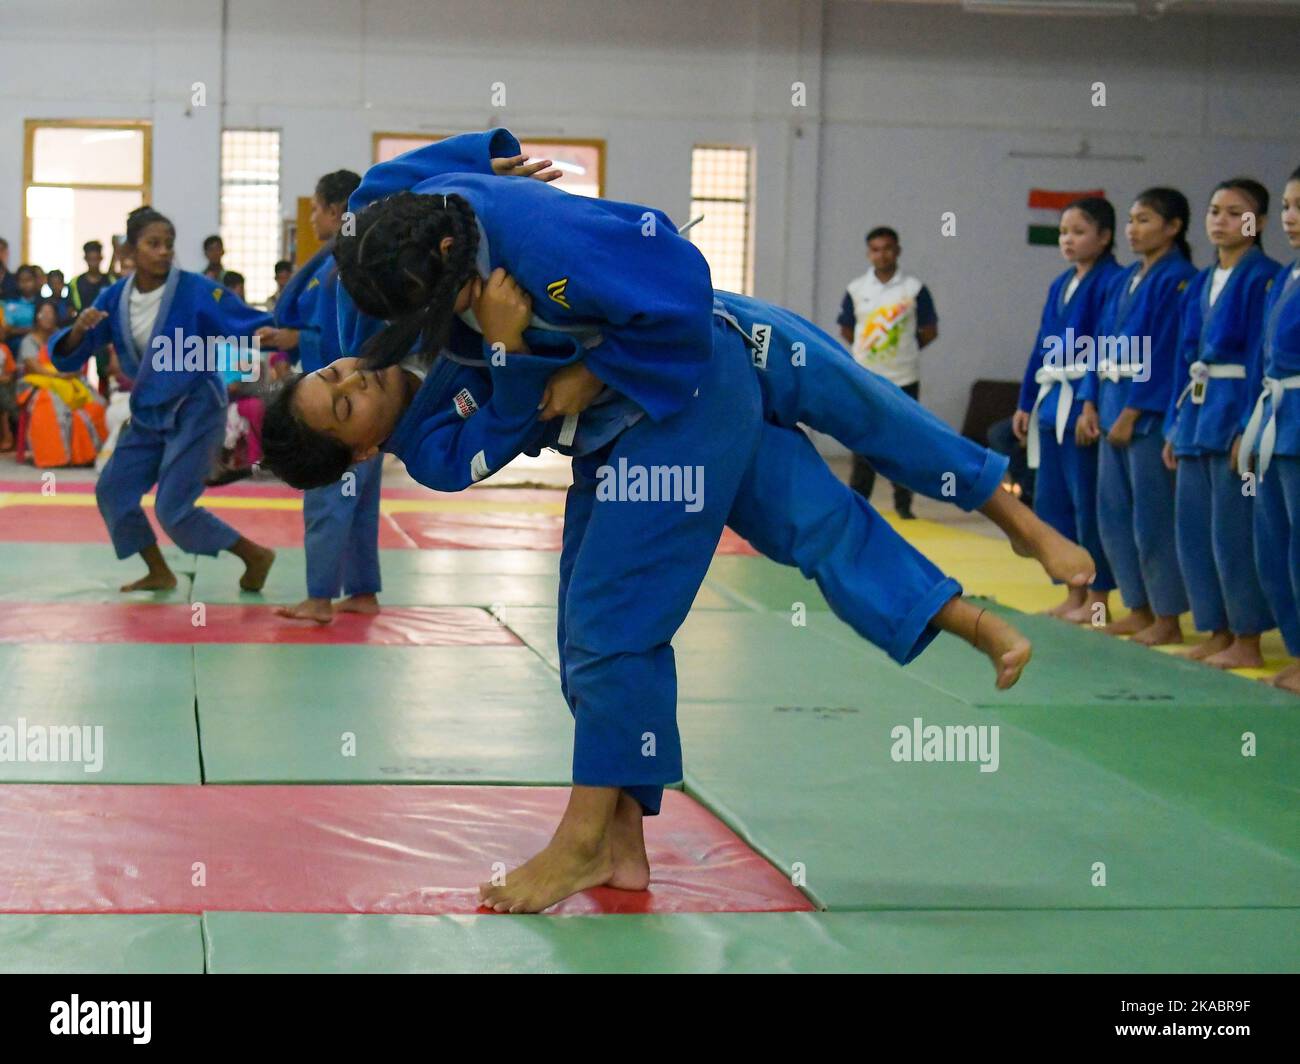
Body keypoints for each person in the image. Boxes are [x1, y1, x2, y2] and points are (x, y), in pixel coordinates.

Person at [261, 130, 1041, 915]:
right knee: (670, 596)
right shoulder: (428, 432)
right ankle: (623, 841)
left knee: (850, 430)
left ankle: (580, 841)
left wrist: (468, 166)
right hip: (642, 418)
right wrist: (504, 348)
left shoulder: (510, 246)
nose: (354, 372)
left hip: (693, 363)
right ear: (361, 451)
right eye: (346, 402)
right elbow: (507, 426)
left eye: (333, 374)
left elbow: (375, 200)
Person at [50, 206, 276, 592]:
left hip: (197, 407)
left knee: (172, 508)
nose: (163, 252)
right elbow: (74, 350)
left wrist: (286, 330)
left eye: (168, 244)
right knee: (113, 491)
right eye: (153, 244)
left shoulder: (195, 289)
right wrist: (76, 331)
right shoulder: (113, 298)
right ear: (129, 252)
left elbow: (244, 321)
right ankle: (158, 570)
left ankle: (253, 553)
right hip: (150, 412)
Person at [1164, 178, 1279, 669]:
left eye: (1235, 212)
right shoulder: (1200, 281)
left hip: (1235, 407)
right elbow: (1182, 357)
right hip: (1196, 408)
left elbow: (1261, 355)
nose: (1221, 220)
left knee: (1233, 531)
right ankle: (1216, 627)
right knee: (1194, 530)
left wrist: (1248, 428)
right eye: (1214, 210)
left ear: (1258, 223)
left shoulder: (1264, 277)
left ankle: (1247, 635)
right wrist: (1173, 423)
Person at [1077, 189, 1195, 645]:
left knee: (1152, 518)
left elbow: (1168, 350)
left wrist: (1134, 410)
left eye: (1144, 220)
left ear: (1173, 227)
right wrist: (1090, 400)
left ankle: (1167, 616)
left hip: (1143, 415)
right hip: (1108, 405)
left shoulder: (1179, 279)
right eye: (1130, 220)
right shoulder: (1124, 279)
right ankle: (1138, 606)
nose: (1132, 229)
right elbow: (1099, 342)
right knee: (1114, 515)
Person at [261, 168, 377, 624]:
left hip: (338, 404)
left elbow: (337, 342)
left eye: (315, 208)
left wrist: (295, 340)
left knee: (328, 498)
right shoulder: (355, 258)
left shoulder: (340, 266)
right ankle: (363, 590)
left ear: (335, 209)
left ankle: (319, 598)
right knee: (361, 502)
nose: (311, 219)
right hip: (370, 405)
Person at [1013, 197, 1122, 623]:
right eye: (1063, 232)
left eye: (1078, 232)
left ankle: (1099, 598)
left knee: (1087, 501)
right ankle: (1074, 592)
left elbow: (1104, 345)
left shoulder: (1111, 282)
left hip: (1080, 400)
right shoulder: (1061, 284)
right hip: (1050, 398)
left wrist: (1088, 402)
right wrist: (1025, 402)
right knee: (1054, 500)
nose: (1068, 240)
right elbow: (1042, 345)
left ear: (1105, 236)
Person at [1239, 165, 1300, 692]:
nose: (1290, 218)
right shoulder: (1287, 275)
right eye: (1285, 207)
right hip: (1276, 417)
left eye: (1299, 207)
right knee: (1275, 543)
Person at [837, 226, 937, 519]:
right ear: (869, 254)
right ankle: (859, 503)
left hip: (904, 377)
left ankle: (904, 506)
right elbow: (846, 327)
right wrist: (867, 353)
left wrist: (905, 351)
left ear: (898, 251)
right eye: (876, 249)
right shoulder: (856, 289)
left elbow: (929, 330)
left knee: (905, 441)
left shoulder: (914, 289)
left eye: (888, 248)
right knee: (863, 441)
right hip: (865, 377)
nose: (883, 254)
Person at [71, 241, 117, 397]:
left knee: (104, 371)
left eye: (96, 258)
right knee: (79, 371)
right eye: (90, 259)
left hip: (104, 333)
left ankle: (104, 401)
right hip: (84, 332)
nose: (93, 262)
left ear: (101, 258)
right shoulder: (76, 283)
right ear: (85, 258)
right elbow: (74, 309)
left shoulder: (110, 280)